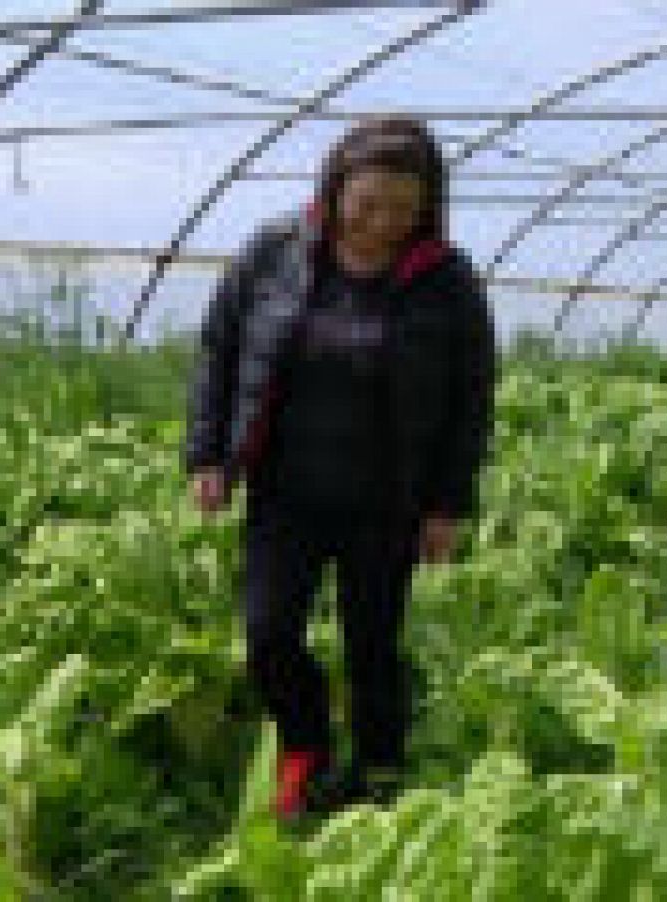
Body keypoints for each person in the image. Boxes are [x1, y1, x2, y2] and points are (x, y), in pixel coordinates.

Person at [182, 116, 496, 822]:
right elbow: (221, 353)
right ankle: (305, 749)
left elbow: (470, 399)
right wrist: (208, 454)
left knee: (373, 645)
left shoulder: (447, 281)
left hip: (387, 499)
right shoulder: (272, 254)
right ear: (334, 188)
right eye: (368, 203)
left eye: (404, 209)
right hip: (284, 491)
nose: (383, 223)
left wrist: (448, 504)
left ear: (428, 208)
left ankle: (380, 769)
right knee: (267, 635)